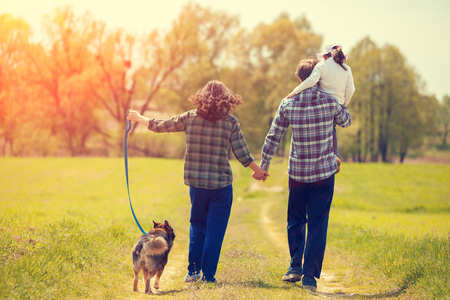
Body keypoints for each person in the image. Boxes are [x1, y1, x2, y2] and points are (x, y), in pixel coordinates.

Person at [127, 80, 269, 284]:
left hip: (197, 185)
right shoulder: (231, 122)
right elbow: (242, 153)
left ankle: (193, 272)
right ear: (226, 100)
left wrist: (139, 118)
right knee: (215, 232)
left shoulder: (190, 117)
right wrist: (259, 171)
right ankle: (208, 276)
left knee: (198, 226)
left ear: (201, 97)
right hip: (221, 187)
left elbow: (162, 125)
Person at [256, 58, 352, 292]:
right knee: (318, 224)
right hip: (323, 175)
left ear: (300, 79)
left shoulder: (287, 103)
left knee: (295, 221)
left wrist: (264, 165)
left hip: (297, 174)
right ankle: (309, 276)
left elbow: (273, 136)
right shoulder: (330, 102)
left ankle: (294, 267)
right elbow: (347, 121)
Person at [286, 42, 355, 173]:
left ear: (326, 55)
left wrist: (294, 91)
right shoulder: (346, 69)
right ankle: (334, 155)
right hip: (338, 104)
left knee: (325, 128)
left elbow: (311, 81)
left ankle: (326, 157)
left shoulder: (322, 66)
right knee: (332, 129)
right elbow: (351, 89)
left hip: (323, 103)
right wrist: (343, 105)